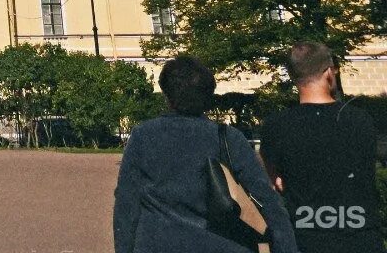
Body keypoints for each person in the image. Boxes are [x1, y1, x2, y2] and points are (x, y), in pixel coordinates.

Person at [113, 55, 298, 253]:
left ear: (166, 95)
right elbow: (268, 201)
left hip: (159, 241)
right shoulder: (228, 137)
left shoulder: (144, 136)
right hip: (220, 243)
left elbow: (126, 206)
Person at [260, 42, 383, 253]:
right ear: (328, 72)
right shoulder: (360, 120)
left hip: (307, 239)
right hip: (361, 238)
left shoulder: (277, 126)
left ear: (293, 77)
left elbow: (270, 181)